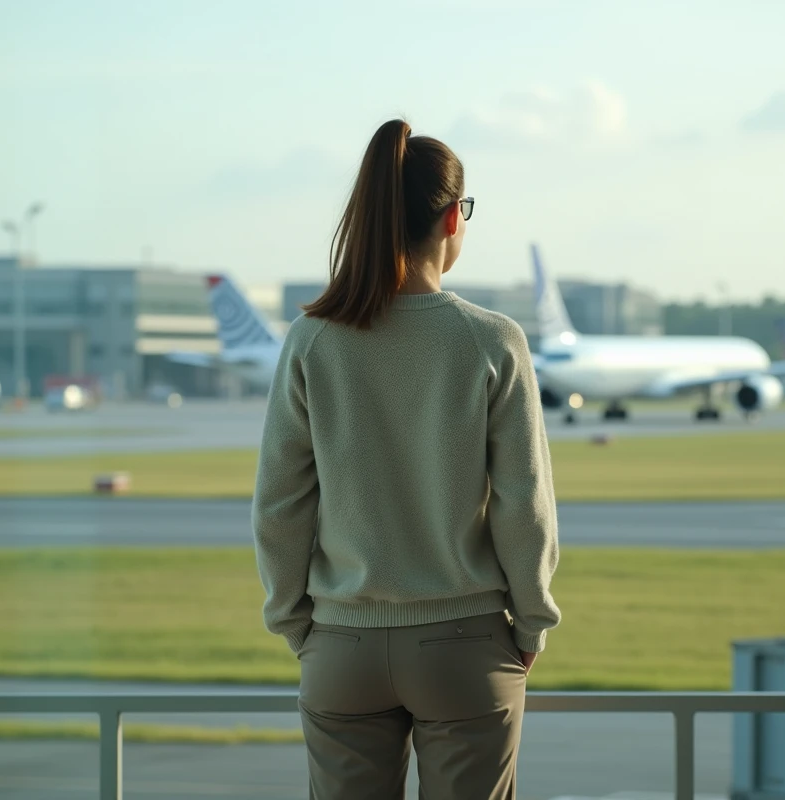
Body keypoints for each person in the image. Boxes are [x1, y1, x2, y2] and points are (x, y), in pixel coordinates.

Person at [253, 118, 560, 800]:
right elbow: (523, 503)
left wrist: (297, 624)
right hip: (465, 647)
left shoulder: (311, 340)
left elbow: (279, 506)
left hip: (340, 649)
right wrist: (532, 620)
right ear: (454, 217)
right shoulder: (493, 340)